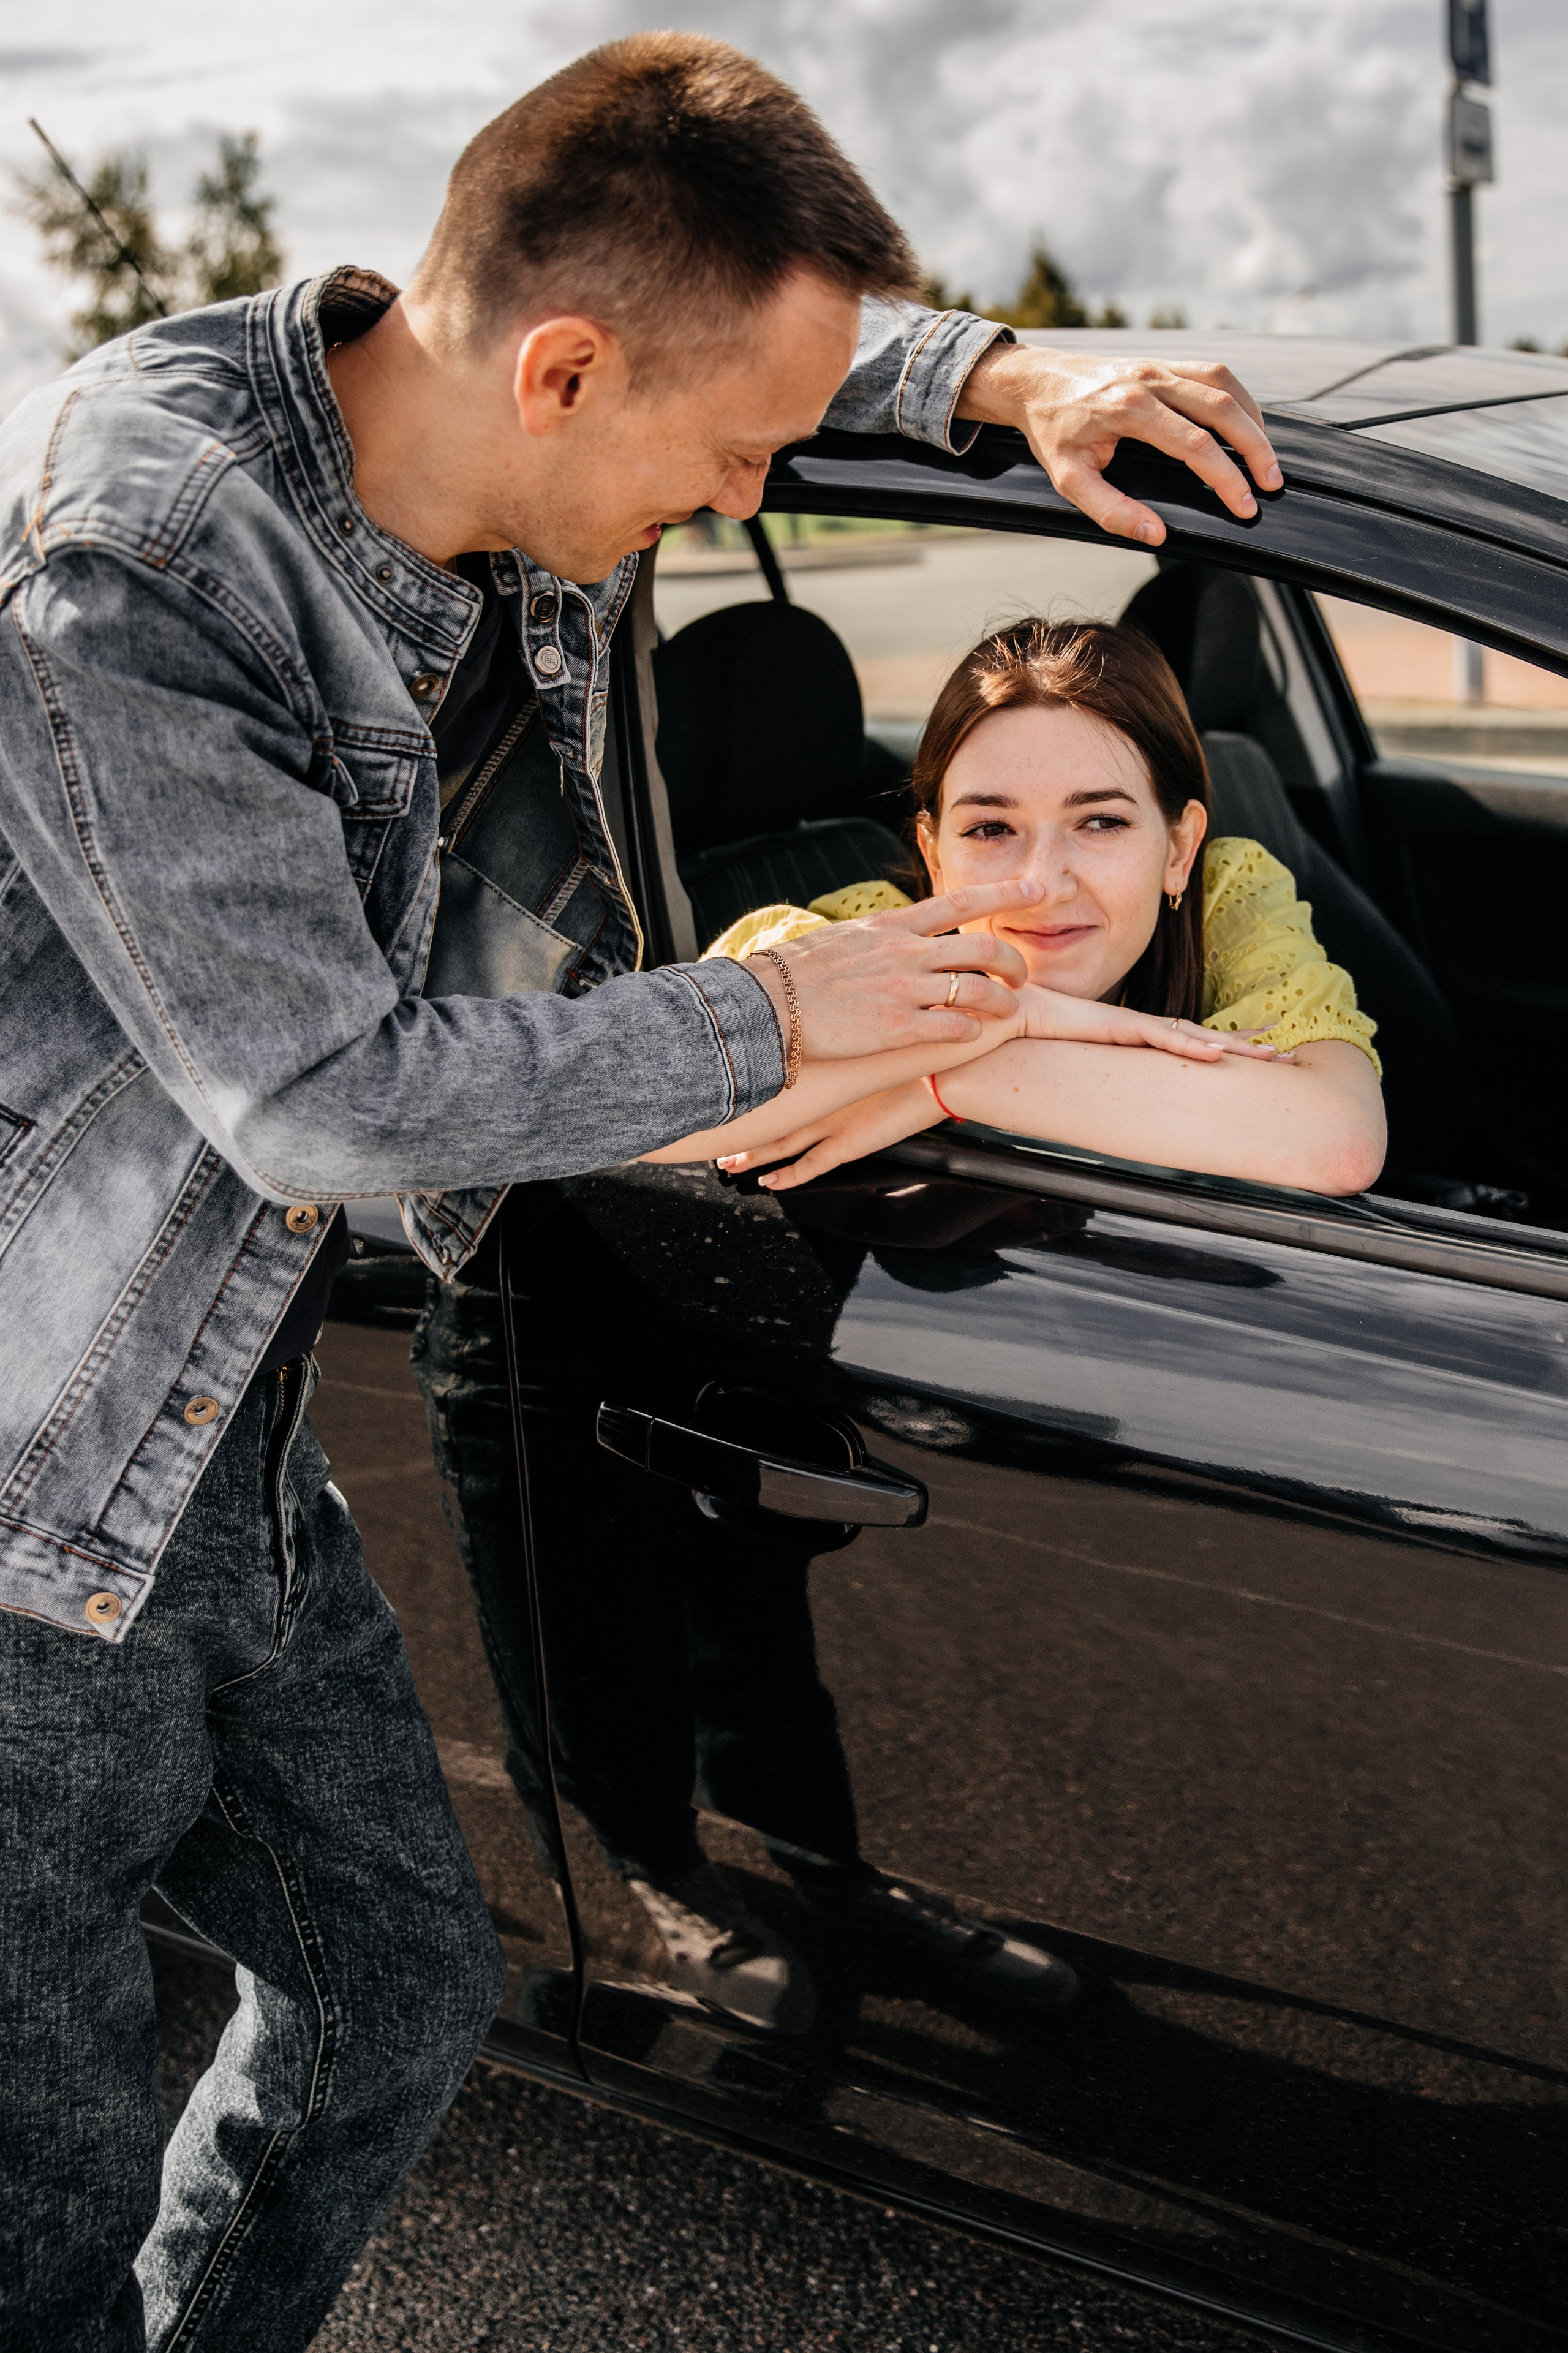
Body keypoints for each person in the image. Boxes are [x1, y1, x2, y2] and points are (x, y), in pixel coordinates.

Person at [0, 29, 1284, 2351]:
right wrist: (788, 1012)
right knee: (40, 2198)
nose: (753, 483)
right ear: (566, 373)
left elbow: (741, 319)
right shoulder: (143, 560)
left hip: (239, 1459)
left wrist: (1004, 385)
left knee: (395, 2007)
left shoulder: (507, 403)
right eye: (736, 460)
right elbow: (319, 1099)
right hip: (39, 1482)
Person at [660, 620, 1386, 1198]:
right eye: (989, 829)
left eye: (1099, 822)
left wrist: (948, 1076)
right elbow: (661, 1113)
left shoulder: (1221, 897)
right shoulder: (849, 943)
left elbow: (1340, 1139)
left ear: (1178, 847)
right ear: (935, 854)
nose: (1044, 883)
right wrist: (1014, 1021)